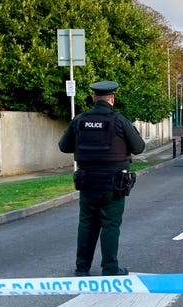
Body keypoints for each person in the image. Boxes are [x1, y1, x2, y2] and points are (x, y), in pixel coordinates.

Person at [58, 80, 145, 276]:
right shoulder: (119, 121)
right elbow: (139, 147)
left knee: (87, 223)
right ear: (112, 99)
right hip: (113, 184)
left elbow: (64, 146)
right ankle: (110, 268)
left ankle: (82, 268)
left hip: (87, 181)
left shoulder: (80, 120)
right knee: (110, 224)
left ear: (93, 98)